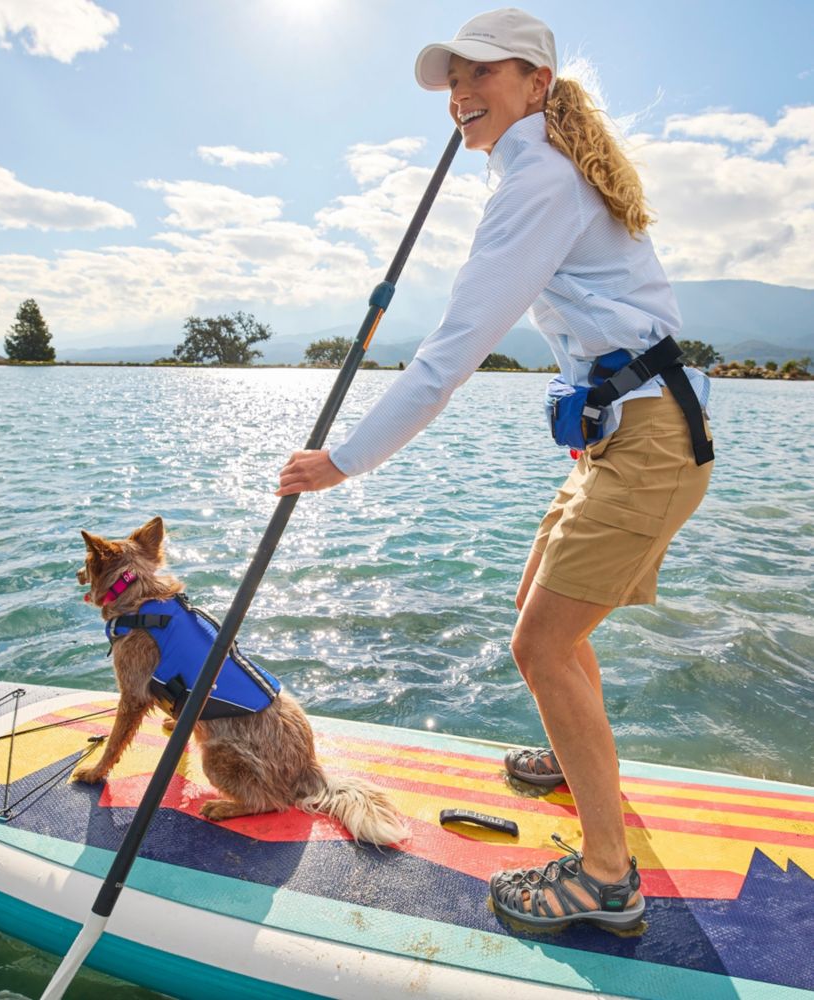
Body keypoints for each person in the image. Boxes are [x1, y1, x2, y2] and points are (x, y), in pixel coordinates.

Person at [277, 7, 712, 931]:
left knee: (539, 646)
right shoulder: (540, 169)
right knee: (540, 616)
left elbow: (452, 353)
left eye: (482, 73)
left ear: (537, 84)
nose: (460, 93)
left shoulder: (539, 180)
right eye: (453, 80)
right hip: (625, 437)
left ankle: (606, 880)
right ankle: (577, 761)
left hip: (649, 443)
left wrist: (343, 460)